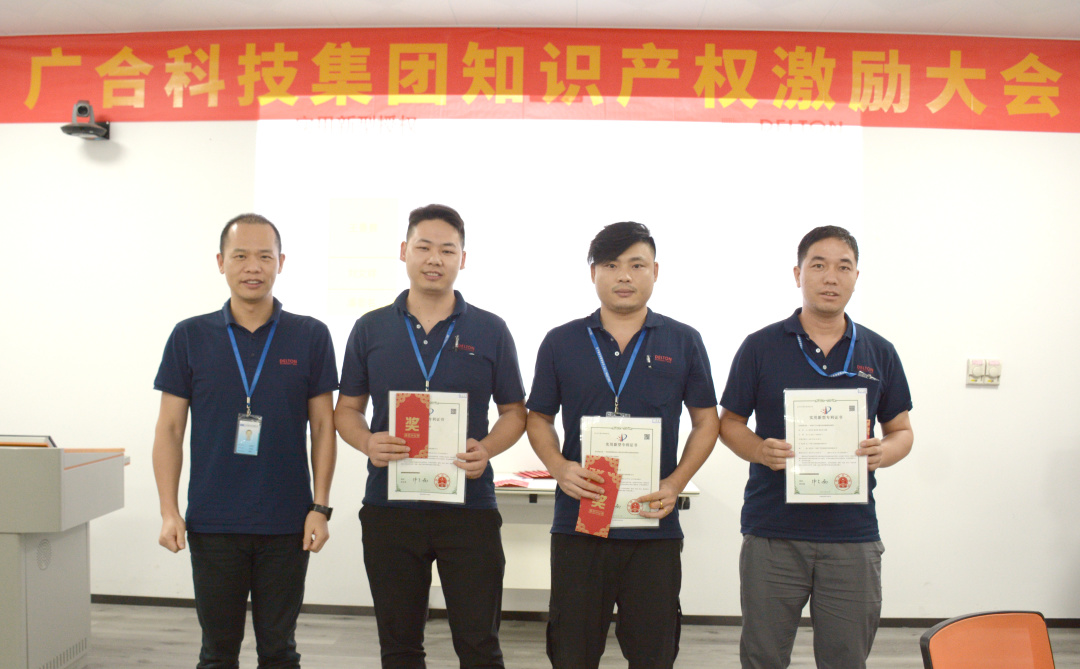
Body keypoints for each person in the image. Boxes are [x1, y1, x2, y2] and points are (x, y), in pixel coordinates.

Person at [334, 204, 526, 669]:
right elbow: (346, 410)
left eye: (447, 250)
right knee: (400, 648)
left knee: (480, 646)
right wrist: (367, 442)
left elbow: (514, 413)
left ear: (463, 258)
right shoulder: (370, 328)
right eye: (424, 247)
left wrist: (487, 448)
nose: (435, 259)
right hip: (390, 508)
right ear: (404, 251)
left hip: (470, 508)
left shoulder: (491, 329)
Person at [718, 225, 914, 669]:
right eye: (818, 265)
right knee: (763, 657)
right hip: (773, 530)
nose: (830, 277)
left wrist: (885, 452)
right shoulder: (760, 346)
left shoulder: (879, 351)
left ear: (856, 277)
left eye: (843, 267)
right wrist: (759, 451)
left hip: (852, 534)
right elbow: (729, 423)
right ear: (798, 274)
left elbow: (902, 430)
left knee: (846, 659)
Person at [526, 221, 720, 669]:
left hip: (652, 525)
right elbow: (538, 417)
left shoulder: (684, 340)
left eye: (637, 264)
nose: (625, 276)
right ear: (593, 272)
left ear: (656, 271)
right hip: (580, 524)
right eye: (612, 265)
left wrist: (675, 483)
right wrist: (558, 467)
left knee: (653, 653)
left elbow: (706, 422)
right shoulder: (561, 341)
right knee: (572, 652)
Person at [152, 213, 338, 668]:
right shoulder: (189, 336)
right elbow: (170, 429)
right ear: (221, 262)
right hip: (213, 522)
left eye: (264, 257)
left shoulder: (310, 335)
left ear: (281, 263)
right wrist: (169, 510)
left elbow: (323, 428)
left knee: (279, 651)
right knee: (217, 653)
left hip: (287, 522)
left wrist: (320, 506)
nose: (253, 267)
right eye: (240, 256)